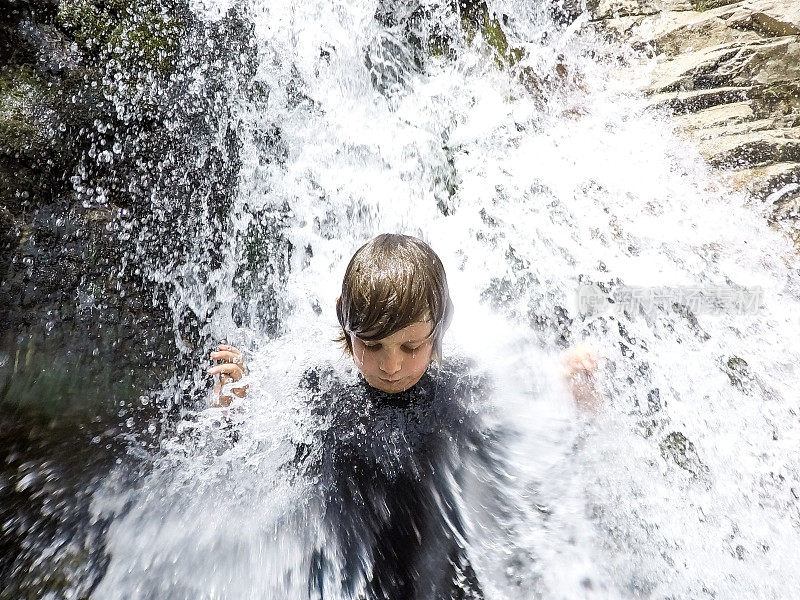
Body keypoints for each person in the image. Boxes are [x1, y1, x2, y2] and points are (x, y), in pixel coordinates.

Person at [207, 233, 599, 599]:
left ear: (439, 330)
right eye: (373, 345)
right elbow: (262, 472)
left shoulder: (458, 389)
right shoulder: (321, 393)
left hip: (446, 586)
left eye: (410, 347)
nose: (391, 365)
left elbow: (527, 440)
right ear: (346, 329)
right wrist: (236, 410)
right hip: (339, 582)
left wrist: (564, 393)